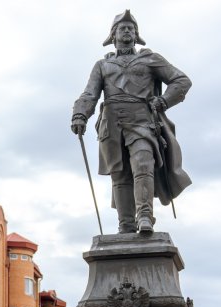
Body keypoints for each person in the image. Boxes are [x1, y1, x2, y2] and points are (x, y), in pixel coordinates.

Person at [70, 9, 192, 235]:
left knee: (143, 163)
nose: (127, 31)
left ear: (136, 35)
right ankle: (125, 224)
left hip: (142, 121)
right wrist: (80, 114)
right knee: (120, 174)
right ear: (113, 35)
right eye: (122, 28)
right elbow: (90, 94)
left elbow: (181, 81)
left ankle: (145, 216)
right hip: (111, 124)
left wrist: (164, 101)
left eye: (131, 28)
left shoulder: (150, 59)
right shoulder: (102, 65)